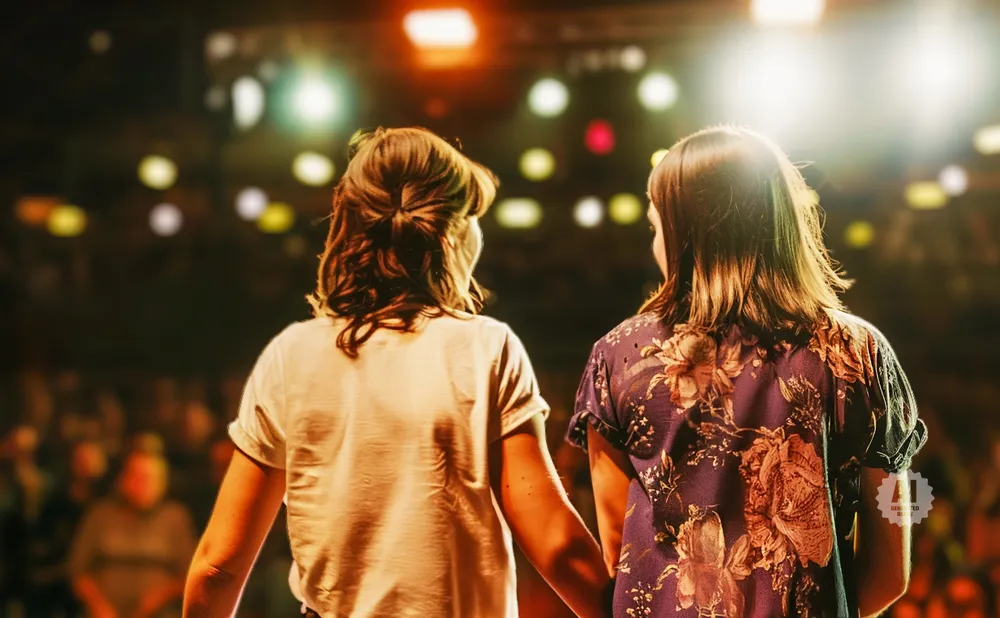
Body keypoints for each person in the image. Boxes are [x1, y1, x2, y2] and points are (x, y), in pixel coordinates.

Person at [183, 127, 611, 618]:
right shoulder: (485, 349)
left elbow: (217, 566)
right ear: (450, 234)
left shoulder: (290, 356)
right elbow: (555, 543)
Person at [566, 126, 927, 617]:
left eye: (656, 228)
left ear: (682, 233)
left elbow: (618, 551)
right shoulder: (859, 353)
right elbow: (890, 571)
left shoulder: (619, 357)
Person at [69, 448, 196, 618]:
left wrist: (158, 597)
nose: (141, 485)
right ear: (123, 479)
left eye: (149, 479)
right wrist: (98, 605)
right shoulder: (100, 515)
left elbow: (189, 576)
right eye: (135, 476)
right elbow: (78, 570)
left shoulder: (175, 518)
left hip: (159, 613)